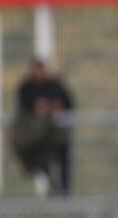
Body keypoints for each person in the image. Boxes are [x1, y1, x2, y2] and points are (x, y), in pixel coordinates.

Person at [13, 58, 75, 196]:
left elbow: (68, 103)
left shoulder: (54, 85)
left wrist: (56, 106)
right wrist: (37, 108)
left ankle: (64, 193)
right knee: (39, 162)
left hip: (55, 135)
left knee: (63, 160)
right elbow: (24, 107)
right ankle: (54, 187)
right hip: (36, 137)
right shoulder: (26, 87)